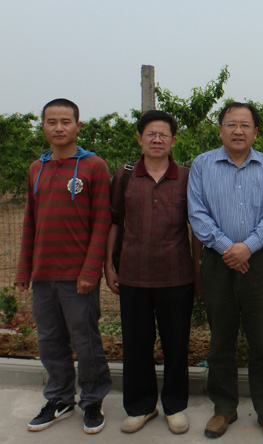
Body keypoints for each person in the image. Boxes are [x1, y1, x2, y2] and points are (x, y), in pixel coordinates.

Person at [187, 102, 263, 442]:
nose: (238, 131)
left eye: (245, 125)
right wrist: (228, 248)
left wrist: (248, 247)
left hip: (259, 262)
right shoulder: (202, 165)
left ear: (255, 132)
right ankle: (224, 407)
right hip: (218, 261)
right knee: (221, 339)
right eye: (231, 124)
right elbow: (197, 212)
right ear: (220, 130)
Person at [14, 98, 112, 434]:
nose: (58, 128)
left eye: (65, 121)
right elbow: (30, 222)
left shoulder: (94, 167)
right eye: (51, 122)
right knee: (49, 340)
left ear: (78, 126)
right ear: (42, 126)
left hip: (78, 276)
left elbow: (101, 222)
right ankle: (59, 398)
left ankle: (93, 400)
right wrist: (24, 269)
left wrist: (90, 270)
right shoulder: (36, 169)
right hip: (43, 274)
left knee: (86, 340)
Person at [104, 110, 199, 434]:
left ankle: (174, 406)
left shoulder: (187, 177)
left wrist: (197, 273)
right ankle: (140, 407)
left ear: (173, 140)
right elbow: (115, 222)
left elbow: (196, 228)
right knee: (136, 344)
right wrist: (108, 264)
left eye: (163, 135)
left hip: (177, 276)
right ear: (139, 139)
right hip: (133, 276)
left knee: (176, 344)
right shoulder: (124, 176)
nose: (157, 140)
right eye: (151, 134)